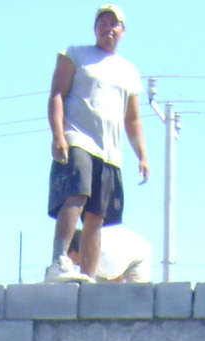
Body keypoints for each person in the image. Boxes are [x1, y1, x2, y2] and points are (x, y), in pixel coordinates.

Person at [45, 4, 150, 283]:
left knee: (96, 216)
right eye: (103, 23)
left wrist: (142, 155)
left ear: (123, 31)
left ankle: (87, 279)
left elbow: (133, 120)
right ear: (96, 28)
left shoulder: (129, 71)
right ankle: (59, 260)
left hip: (110, 152)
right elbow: (57, 94)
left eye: (114, 24)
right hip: (78, 137)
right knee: (77, 195)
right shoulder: (75, 55)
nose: (108, 28)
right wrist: (58, 135)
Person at [66, 224, 153, 283]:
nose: (77, 265)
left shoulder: (104, 257)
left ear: (81, 251)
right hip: (116, 257)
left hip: (137, 254)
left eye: (76, 262)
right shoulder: (94, 254)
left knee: (138, 296)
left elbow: (116, 278)